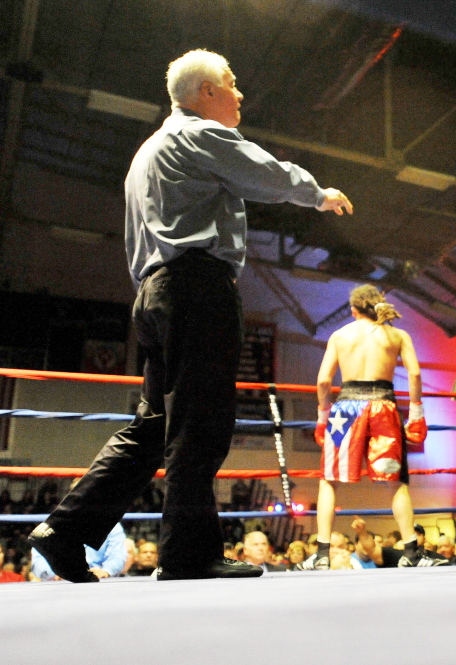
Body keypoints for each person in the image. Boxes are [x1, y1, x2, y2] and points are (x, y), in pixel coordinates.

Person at [27, 49, 353, 583]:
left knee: (153, 426)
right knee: (199, 422)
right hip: (196, 287)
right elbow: (262, 173)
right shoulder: (197, 134)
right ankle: (187, 554)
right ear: (204, 92)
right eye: (231, 82)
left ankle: (65, 531)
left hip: (154, 294)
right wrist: (317, 194)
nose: (240, 93)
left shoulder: (147, 152)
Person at [313, 285, 429, 568]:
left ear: (353, 310)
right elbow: (414, 374)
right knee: (396, 483)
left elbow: (323, 382)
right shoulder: (397, 334)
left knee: (329, 480)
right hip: (384, 407)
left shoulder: (340, 335)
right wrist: (416, 412)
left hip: (346, 408)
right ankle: (411, 552)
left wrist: (322, 417)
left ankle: (321, 555)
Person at [32, 523, 128, 581]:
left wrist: (106, 571)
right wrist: (55, 573)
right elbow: (39, 560)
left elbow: (117, 555)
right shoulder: (51, 526)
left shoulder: (112, 525)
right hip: (59, 582)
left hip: (99, 582)